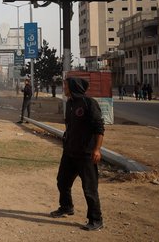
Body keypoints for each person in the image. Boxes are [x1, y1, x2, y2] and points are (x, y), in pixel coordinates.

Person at [50, 77, 105, 231]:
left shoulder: (89, 103)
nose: (64, 88)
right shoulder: (70, 103)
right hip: (70, 152)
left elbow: (99, 128)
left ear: (73, 87)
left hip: (86, 154)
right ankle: (66, 207)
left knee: (89, 188)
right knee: (62, 182)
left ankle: (96, 219)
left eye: (66, 85)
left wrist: (97, 149)